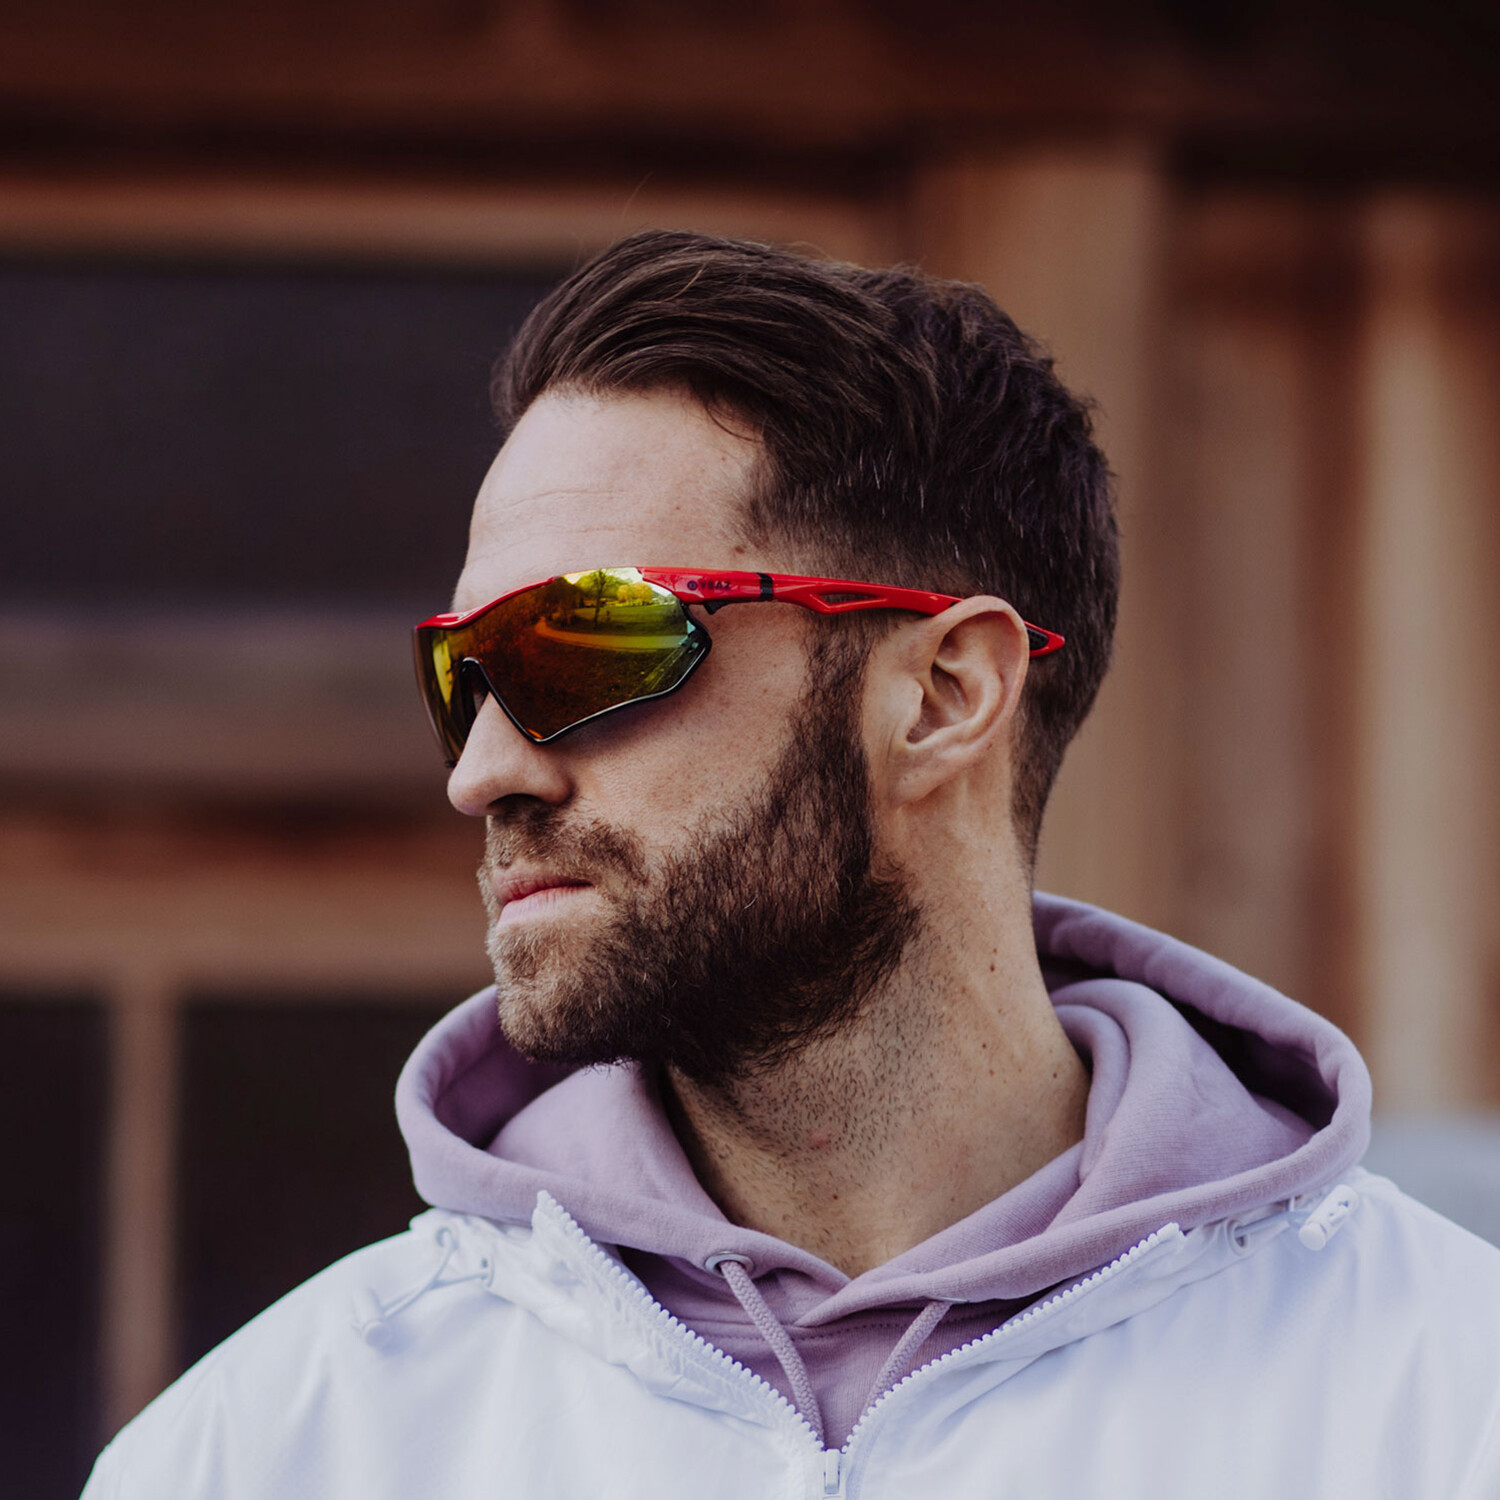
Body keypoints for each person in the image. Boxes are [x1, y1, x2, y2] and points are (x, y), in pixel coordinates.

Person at [84, 231, 1500, 1499]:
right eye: (465, 673)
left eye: (583, 642)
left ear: (943, 694)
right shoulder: (275, 1448)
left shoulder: (1443, 1406)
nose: (484, 770)